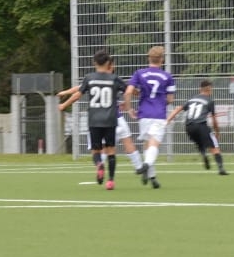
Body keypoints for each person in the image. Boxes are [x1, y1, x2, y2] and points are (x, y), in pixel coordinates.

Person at [58, 48, 122, 189]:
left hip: (94, 120)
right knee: (111, 151)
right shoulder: (114, 79)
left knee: (95, 150)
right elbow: (129, 89)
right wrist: (140, 92)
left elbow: (77, 94)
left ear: (94, 63)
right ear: (108, 63)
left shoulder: (89, 78)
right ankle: (111, 181)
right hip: (110, 119)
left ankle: (99, 164)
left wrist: (64, 104)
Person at [123, 45, 175, 189]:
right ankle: (146, 165)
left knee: (147, 144)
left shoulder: (139, 73)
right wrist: (162, 101)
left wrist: (129, 109)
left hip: (144, 114)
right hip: (158, 114)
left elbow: (128, 92)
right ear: (162, 60)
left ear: (149, 58)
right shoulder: (167, 76)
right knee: (154, 144)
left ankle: (152, 177)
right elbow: (170, 99)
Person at [167, 79, 229, 174]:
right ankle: (221, 168)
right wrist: (217, 132)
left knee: (200, 143)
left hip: (189, 127)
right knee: (214, 145)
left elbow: (177, 109)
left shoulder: (192, 99)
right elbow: (214, 121)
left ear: (200, 89)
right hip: (201, 125)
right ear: (210, 89)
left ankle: (203, 154)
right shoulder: (210, 101)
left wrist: (167, 120)